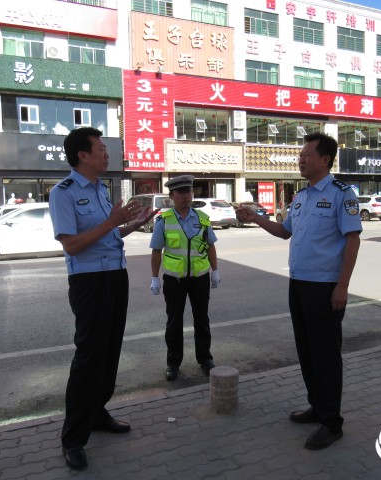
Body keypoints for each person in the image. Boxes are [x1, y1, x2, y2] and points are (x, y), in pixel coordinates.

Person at [235, 133, 362, 450]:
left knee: (326, 355)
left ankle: (332, 423)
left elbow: (353, 240)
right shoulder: (302, 198)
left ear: (325, 160)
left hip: (325, 288)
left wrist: (342, 285)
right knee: (306, 351)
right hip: (299, 284)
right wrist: (256, 217)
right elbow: (284, 232)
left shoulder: (341, 195)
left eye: (306, 154)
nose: (301, 159)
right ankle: (317, 406)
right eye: (300, 155)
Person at [49, 127, 157, 471]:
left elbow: (108, 233)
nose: (107, 153)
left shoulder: (101, 190)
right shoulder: (63, 193)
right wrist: (112, 220)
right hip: (89, 281)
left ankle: (97, 412)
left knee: (111, 350)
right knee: (89, 356)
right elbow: (72, 244)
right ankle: (73, 438)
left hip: (115, 275)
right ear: (83, 155)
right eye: (101, 148)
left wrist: (132, 224)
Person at [149, 175, 219, 381]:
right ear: (172, 196)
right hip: (174, 280)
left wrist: (215, 271)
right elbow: (156, 250)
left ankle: (205, 359)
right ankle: (173, 363)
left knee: (202, 319)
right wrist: (155, 277)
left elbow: (211, 246)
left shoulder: (202, 218)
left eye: (188, 191)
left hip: (199, 277)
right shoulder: (164, 220)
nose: (185, 196)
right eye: (180, 193)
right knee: (174, 322)